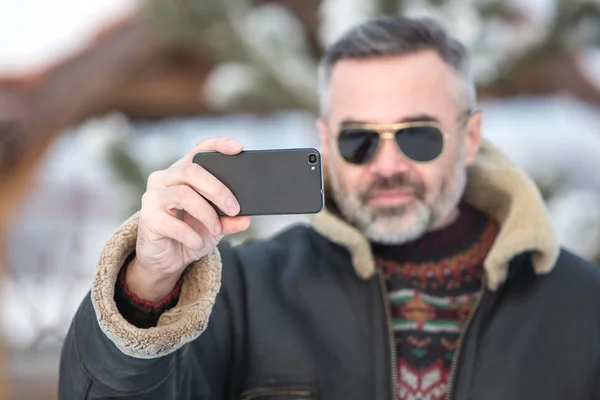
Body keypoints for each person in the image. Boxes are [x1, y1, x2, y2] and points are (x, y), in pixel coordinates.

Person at [58, 16, 600, 400]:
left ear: (471, 135)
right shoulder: (240, 294)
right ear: (324, 138)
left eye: (417, 136)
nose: (387, 164)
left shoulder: (582, 305)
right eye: (359, 139)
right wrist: (147, 287)